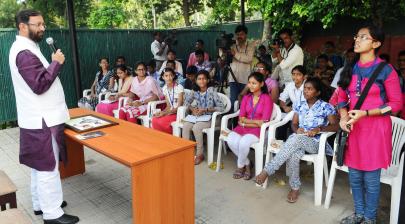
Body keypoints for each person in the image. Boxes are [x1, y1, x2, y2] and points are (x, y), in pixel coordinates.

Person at [9, 9, 79, 224]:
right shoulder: (24, 52)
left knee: (40, 165)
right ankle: (52, 214)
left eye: (42, 24)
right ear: (22, 26)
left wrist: (51, 63)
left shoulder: (27, 48)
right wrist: (56, 62)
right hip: (43, 120)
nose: (42, 28)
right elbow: (39, 85)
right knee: (48, 166)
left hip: (38, 117)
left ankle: (41, 204)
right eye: (37, 24)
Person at [336, 25, 402, 224]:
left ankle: (370, 218)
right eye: (357, 36)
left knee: (371, 180)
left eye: (364, 37)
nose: (357, 39)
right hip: (353, 129)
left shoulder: (385, 70)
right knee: (354, 176)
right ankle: (358, 214)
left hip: (375, 130)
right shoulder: (350, 67)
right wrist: (343, 116)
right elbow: (341, 94)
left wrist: (366, 113)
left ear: (376, 43)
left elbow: (396, 104)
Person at [255, 77, 338, 203]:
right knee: (294, 154)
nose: (305, 91)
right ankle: (295, 187)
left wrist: (319, 128)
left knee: (295, 139)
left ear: (318, 92)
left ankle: (267, 170)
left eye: (309, 89)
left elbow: (336, 126)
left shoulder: (326, 107)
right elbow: (294, 124)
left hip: (315, 143)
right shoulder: (300, 104)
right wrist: (297, 129)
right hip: (298, 140)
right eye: (305, 88)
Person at [224, 72, 274, 180]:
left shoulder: (267, 99)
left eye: (254, 83)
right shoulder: (246, 97)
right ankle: (247, 163)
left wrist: (248, 122)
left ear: (261, 84)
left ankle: (240, 167)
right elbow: (240, 118)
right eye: (249, 83)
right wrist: (254, 121)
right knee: (230, 140)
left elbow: (264, 121)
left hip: (259, 130)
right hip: (243, 128)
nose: (250, 85)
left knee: (243, 142)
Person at [182, 70, 225, 165]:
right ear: (196, 81)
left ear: (208, 80)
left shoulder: (211, 91)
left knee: (196, 127)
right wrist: (192, 109)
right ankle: (186, 152)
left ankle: (199, 154)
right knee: (186, 126)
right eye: (199, 79)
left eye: (204, 79)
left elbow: (221, 107)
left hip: (212, 118)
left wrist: (206, 109)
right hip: (199, 117)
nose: (201, 81)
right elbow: (186, 102)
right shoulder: (194, 91)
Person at [229, 25, 256, 110]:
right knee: (233, 102)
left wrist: (235, 54)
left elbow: (248, 59)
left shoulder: (250, 46)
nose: (239, 36)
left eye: (241, 34)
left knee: (244, 102)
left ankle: (243, 121)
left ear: (246, 35)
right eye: (237, 34)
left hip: (245, 79)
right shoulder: (232, 45)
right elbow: (224, 60)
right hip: (232, 79)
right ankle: (232, 121)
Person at [151, 68, 184, 134]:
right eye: (166, 76)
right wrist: (161, 112)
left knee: (161, 122)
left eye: (171, 75)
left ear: (174, 76)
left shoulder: (179, 87)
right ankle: (160, 138)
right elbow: (168, 106)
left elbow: (179, 107)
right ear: (163, 77)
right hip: (170, 112)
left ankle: (170, 137)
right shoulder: (164, 88)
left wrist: (165, 113)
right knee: (154, 120)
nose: (169, 78)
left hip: (179, 113)